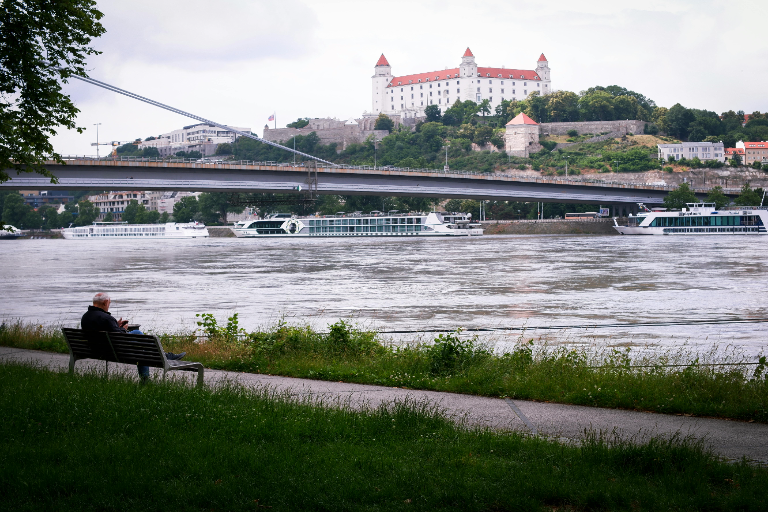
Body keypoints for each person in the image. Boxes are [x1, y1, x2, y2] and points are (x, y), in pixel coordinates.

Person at [81, 292, 185, 380]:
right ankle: (164, 358)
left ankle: (165, 356)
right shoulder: (106, 318)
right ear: (104, 303)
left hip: (95, 350)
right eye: (109, 303)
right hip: (113, 351)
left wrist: (115, 326)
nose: (109, 305)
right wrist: (123, 328)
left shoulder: (85, 317)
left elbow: (103, 329)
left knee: (142, 346)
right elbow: (119, 336)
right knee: (138, 335)